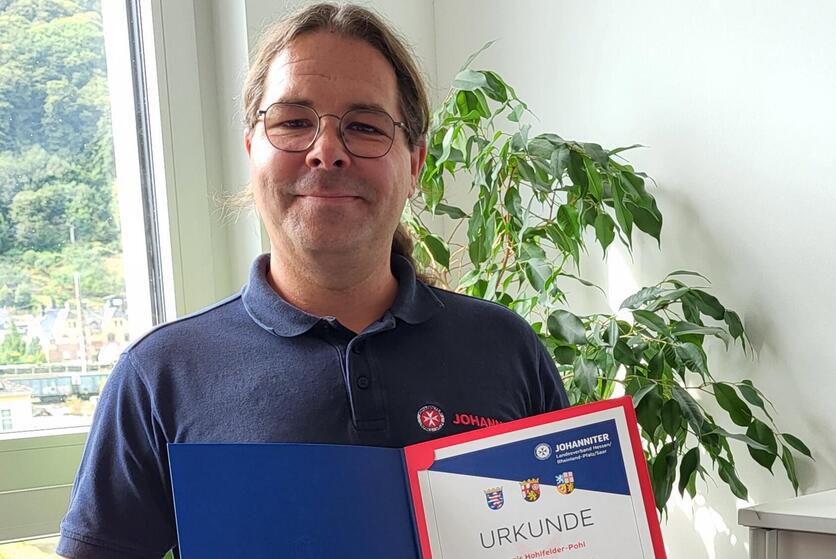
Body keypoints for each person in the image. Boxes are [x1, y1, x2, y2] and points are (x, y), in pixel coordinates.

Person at [56, 3, 569, 557]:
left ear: (415, 164)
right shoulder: (160, 375)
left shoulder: (506, 348)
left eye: (365, 127)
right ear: (251, 149)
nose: (326, 152)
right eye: (293, 122)